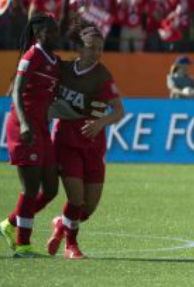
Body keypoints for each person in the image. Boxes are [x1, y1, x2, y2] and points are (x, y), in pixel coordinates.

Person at [43, 20, 124, 259]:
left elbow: (120, 111)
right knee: (75, 198)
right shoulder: (64, 70)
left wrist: (100, 123)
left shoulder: (103, 76)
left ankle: (60, 223)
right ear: (80, 47)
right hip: (66, 141)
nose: (97, 52)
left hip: (93, 145)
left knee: (88, 208)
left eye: (100, 48)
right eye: (92, 47)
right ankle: (71, 246)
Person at [0, 14, 61, 258]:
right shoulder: (31, 56)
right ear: (39, 34)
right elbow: (16, 92)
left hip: (42, 128)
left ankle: (10, 224)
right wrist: (24, 123)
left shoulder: (55, 61)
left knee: (52, 188)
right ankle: (23, 245)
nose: (56, 34)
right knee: (31, 187)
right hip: (24, 126)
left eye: (57, 30)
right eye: (51, 31)